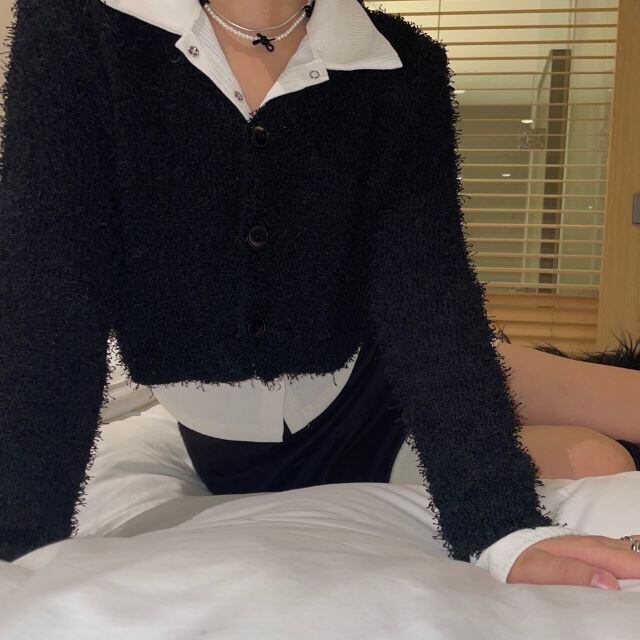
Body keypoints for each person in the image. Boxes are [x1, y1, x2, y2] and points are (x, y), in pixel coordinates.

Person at [0, 0, 639, 592]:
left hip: (387, 363)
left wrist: (503, 527)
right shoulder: (79, 30)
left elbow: (428, 290)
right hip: (267, 449)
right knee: (596, 459)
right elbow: (48, 299)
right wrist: (17, 544)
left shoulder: (399, 62)